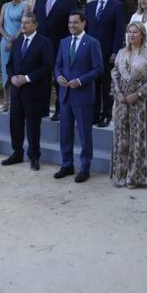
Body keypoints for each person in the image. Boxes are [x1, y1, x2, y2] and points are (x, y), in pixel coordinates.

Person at [111, 21, 147, 188]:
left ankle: (134, 177)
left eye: (135, 32)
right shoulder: (121, 53)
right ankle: (120, 174)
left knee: (137, 138)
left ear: (142, 35)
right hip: (121, 101)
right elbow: (115, 73)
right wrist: (118, 92)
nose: (131, 35)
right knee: (121, 137)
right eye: (129, 32)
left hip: (139, 102)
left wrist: (138, 93)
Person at [53, 11, 103, 183]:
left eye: (75, 22)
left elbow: (98, 69)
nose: (72, 26)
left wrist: (80, 81)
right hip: (65, 95)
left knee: (84, 134)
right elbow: (58, 65)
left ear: (83, 23)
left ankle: (85, 168)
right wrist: (58, 76)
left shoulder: (92, 43)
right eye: (69, 23)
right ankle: (67, 164)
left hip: (82, 96)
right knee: (65, 133)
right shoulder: (63, 42)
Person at [1, 12, 54, 170]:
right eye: (22, 23)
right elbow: (9, 64)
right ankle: (17, 153)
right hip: (17, 91)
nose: (22, 26)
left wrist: (27, 78)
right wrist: (12, 78)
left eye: (27, 23)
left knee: (32, 126)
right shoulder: (18, 42)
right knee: (15, 124)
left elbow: (47, 66)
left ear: (35, 25)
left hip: (34, 91)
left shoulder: (44, 42)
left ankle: (34, 156)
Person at [33, 0, 77, 120]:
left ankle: (59, 109)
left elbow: (72, 23)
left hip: (60, 44)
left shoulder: (68, 0)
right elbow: (35, 22)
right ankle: (42, 108)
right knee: (41, 77)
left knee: (59, 79)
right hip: (40, 46)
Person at [85, 0, 126, 127]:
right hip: (91, 53)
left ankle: (107, 115)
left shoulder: (117, 6)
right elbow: (87, 30)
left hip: (108, 53)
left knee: (106, 86)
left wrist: (115, 52)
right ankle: (94, 114)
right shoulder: (90, 6)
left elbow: (119, 31)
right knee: (93, 85)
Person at [0, 0, 30, 111]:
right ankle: (6, 101)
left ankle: (17, 102)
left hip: (19, 41)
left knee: (17, 70)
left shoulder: (26, 5)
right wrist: (7, 38)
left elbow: (24, 25)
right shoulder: (5, 6)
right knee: (5, 71)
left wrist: (14, 39)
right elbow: (0, 25)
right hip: (5, 41)